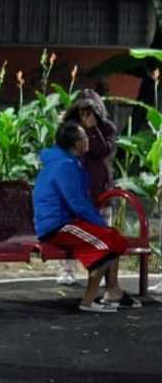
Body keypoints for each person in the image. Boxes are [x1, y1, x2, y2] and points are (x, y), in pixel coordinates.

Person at [34, 121, 136, 313]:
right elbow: (77, 203)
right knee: (107, 243)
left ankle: (112, 290)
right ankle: (88, 302)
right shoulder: (64, 165)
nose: (87, 140)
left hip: (66, 223)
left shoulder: (68, 162)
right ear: (77, 144)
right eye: (84, 137)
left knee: (112, 236)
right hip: (57, 226)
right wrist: (99, 224)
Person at [56, 91, 116, 286]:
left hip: (101, 190)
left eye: (89, 111)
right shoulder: (70, 129)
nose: (85, 115)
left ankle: (98, 272)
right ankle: (67, 269)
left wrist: (92, 129)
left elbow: (101, 151)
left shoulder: (106, 129)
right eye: (82, 111)